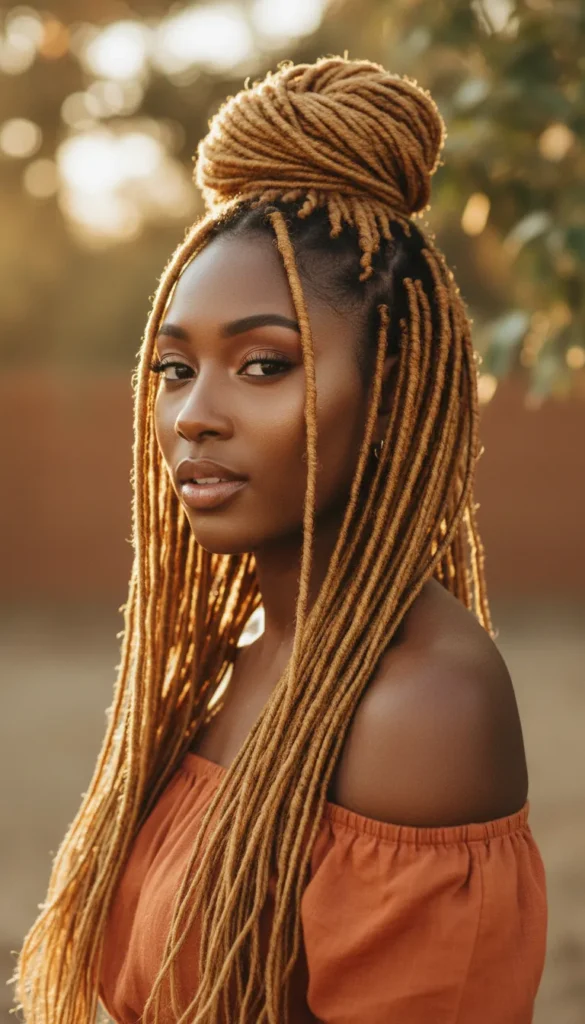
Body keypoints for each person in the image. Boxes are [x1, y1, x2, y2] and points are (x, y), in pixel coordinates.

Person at [13, 56, 547, 1024]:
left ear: (392, 394)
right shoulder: (234, 665)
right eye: (175, 368)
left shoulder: (422, 703)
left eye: (263, 364)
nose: (194, 417)